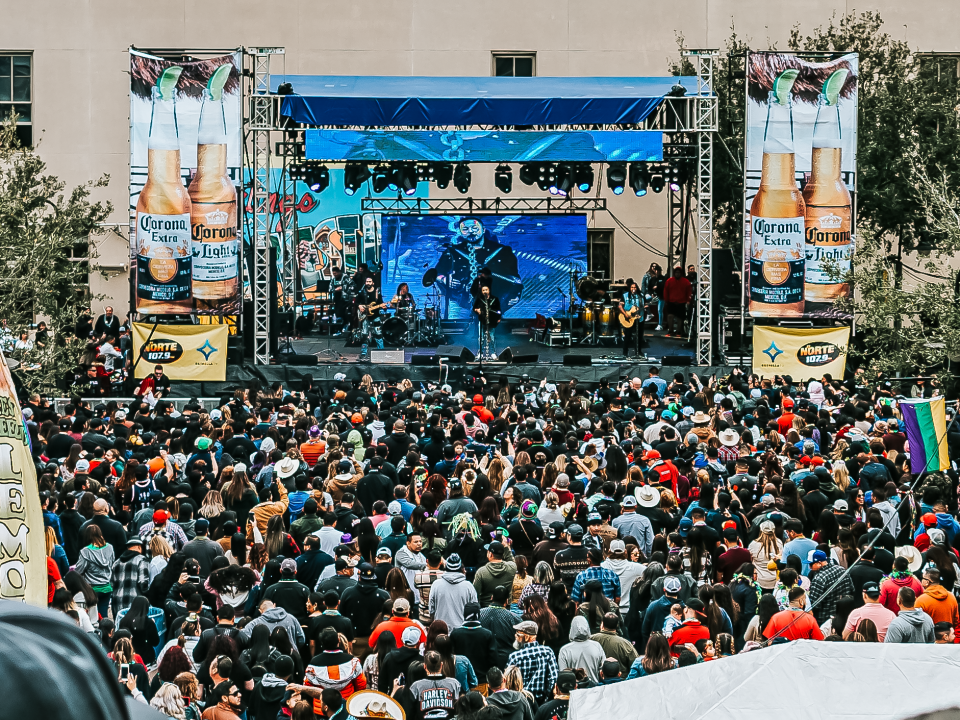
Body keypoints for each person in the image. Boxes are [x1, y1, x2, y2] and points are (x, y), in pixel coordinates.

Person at [506, 620, 558, 705]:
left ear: (527, 637)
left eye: (518, 634)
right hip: (542, 701)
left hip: (520, 702)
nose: (515, 636)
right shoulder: (548, 652)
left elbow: (508, 682)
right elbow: (553, 678)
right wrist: (546, 699)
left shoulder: (515, 656)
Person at [472, 284, 501, 360]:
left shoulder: (494, 299)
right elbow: (474, 308)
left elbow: (498, 310)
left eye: (486, 290)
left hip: (492, 321)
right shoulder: (479, 299)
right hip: (482, 321)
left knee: (491, 338)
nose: (485, 291)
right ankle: (480, 353)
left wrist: (498, 318)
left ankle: (493, 353)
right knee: (481, 338)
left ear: (489, 291)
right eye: (483, 290)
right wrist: (477, 310)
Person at [662, 267, 692, 337]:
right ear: (674, 273)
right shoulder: (669, 281)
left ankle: (678, 331)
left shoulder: (686, 282)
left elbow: (689, 292)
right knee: (670, 316)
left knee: (680, 317)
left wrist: (688, 300)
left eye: (678, 273)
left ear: (681, 273)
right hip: (671, 302)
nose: (677, 274)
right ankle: (671, 331)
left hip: (681, 302)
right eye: (676, 272)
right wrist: (666, 300)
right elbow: (666, 291)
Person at [357, 276, 385, 349]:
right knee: (364, 334)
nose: (368, 283)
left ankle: (381, 351)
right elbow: (356, 302)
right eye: (367, 282)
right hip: (365, 316)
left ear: (373, 283)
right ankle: (364, 352)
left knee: (378, 333)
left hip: (375, 316)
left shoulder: (377, 293)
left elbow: (381, 303)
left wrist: (384, 307)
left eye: (370, 282)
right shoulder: (362, 292)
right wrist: (360, 306)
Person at [618, 279, 643, 359]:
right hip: (628, 317)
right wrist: (625, 314)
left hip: (638, 319)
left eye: (635, 287)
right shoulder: (625, 295)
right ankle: (625, 352)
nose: (633, 289)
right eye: (632, 287)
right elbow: (620, 306)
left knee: (639, 336)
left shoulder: (640, 296)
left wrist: (644, 307)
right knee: (627, 336)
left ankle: (638, 351)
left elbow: (643, 305)